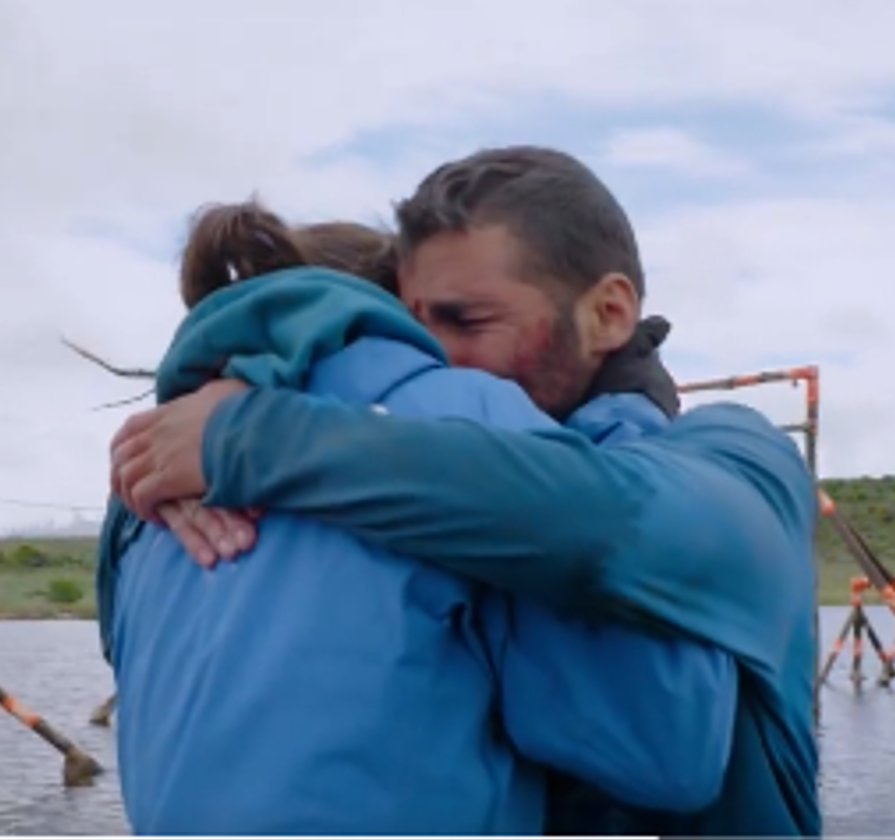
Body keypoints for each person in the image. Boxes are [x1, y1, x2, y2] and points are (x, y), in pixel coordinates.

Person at [109, 148, 821, 837]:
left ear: (610, 313)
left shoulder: (741, 451)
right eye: (413, 330)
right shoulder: (184, 474)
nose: (438, 361)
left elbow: (598, 511)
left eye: (467, 321)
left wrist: (253, 436)